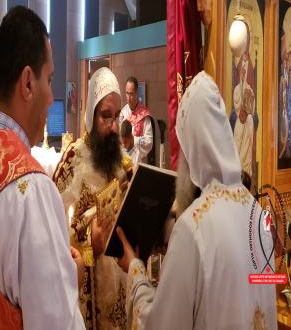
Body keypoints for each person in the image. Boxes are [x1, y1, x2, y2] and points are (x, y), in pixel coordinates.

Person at [0, 6, 85, 329]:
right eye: (49, 79)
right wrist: (71, 280)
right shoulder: (33, 189)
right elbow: (56, 323)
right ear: (27, 83)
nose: (51, 96)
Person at [116, 71, 277, 330]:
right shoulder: (259, 216)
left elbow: (159, 324)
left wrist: (135, 270)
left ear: (193, 150)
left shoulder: (193, 227)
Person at [53, 67, 131, 329]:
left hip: (120, 290)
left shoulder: (123, 163)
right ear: (91, 114)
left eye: (117, 116)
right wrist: (89, 242)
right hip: (90, 308)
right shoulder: (72, 162)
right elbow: (54, 234)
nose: (113, 126)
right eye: (106, 116)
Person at [232, 25, 256, 178]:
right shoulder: (236, 89)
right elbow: (237, 103)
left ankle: (246, 172)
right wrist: (240, 111)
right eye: (242, 69)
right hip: (240, 121)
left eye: (245, 70)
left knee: (250, 124)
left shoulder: (250, 89)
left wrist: (247, 110)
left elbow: (250, 105)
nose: (244, 71)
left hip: (247, 121)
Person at [119, 76, 153, 164]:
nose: (128, 97)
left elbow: (149, 141)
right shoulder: (122, 113)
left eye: (131, 94)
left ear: (137, 93)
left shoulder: (144, 115)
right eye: (127, 93)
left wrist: (133, 140)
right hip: (123, 161)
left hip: (138, 162)